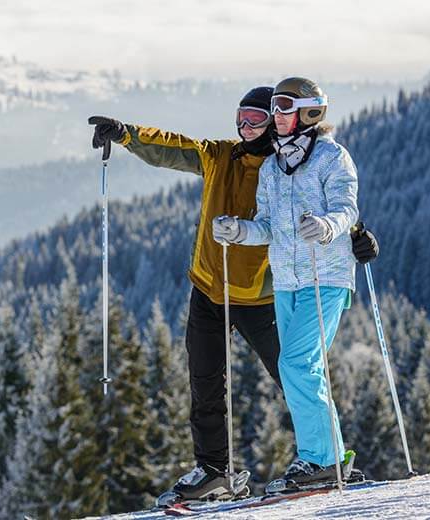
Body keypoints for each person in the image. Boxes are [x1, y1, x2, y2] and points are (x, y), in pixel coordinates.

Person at [88, 86, 378, 501]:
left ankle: (327, 458)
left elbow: (331, 203)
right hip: (210, 288)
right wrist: (126, 133)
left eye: (255, 119)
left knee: (296, 373)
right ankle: (214, 469)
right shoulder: (225, 157)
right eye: (240, 118)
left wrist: (353, 233)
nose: (246, 127)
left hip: (262, 295)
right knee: (204, 381)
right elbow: (175, 148)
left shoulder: (285, 163)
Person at [214, 77, 361, 492]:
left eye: (283, 107)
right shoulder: (273, 168)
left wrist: (327, 226)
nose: (276, 115)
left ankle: (322, 459)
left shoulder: (332, 158)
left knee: (296, 363)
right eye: (275, 108)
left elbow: (346, 209)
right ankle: (328, 458)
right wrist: (239, 232)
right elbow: (268, 225)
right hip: (287, 280)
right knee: (299, 367)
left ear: (310, 112)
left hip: (326, 277)